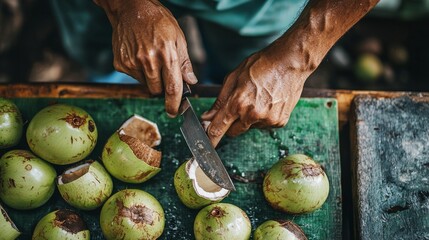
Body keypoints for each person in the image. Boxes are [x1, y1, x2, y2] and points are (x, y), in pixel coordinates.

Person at [53, 0, 380, 146]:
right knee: (111, 58)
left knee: (241, 76)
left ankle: (218, 87)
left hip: (256, 5)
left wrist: (296, 60)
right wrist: (123, 6)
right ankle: (122, 80)